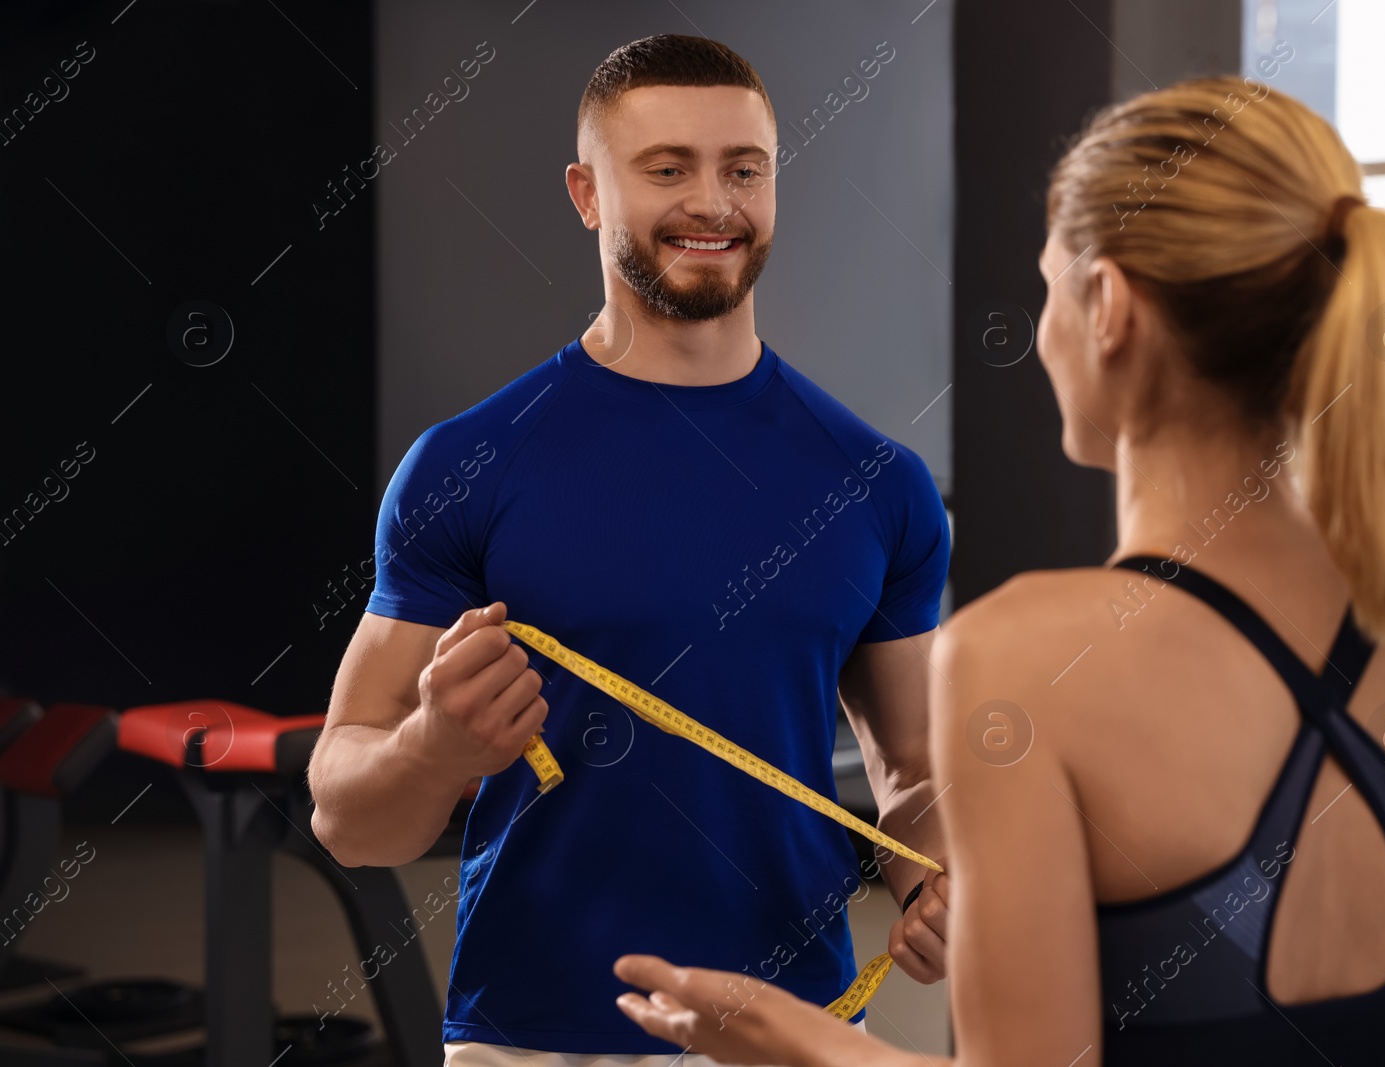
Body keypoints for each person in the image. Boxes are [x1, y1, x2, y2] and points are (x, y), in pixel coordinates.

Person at [611, 75, 1385, 1066]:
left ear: (1107, 304)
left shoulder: (1027, 659)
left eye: (1048, 281)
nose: (1044, 328)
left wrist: (783, 1035)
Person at [306, 34, 954, 1067]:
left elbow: (915, 770)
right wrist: (433, 747)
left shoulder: (877, 483)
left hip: (798, 1028)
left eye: (743, 168)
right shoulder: (466, 466)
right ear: (585, 192)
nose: (713, 202)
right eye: (667, 169)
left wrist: (934, 876)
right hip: (531, 1031)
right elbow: (346, 817)